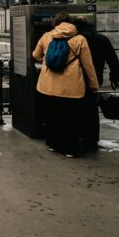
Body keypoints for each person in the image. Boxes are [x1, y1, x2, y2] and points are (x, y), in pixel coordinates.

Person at [32, 12, 99, 158]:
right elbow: (88, 65)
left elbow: (35, 55)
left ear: (55, 23)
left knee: (52, 116)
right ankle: (69, 149)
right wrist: (94, 85)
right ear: (71, 23)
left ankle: (52, 144)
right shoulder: (79, 39)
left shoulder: (47, 36)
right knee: (70, 119)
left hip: (47, 86)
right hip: (71, 87)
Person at [74, 16, 119, 150]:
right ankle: (92, 139)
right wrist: (115, 78)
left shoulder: (75, 40)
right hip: (95, 79)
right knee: (92, 109)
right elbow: (113, 59)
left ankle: (79, 136)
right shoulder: (101, 39)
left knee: (77, 108)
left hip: (76, 80)